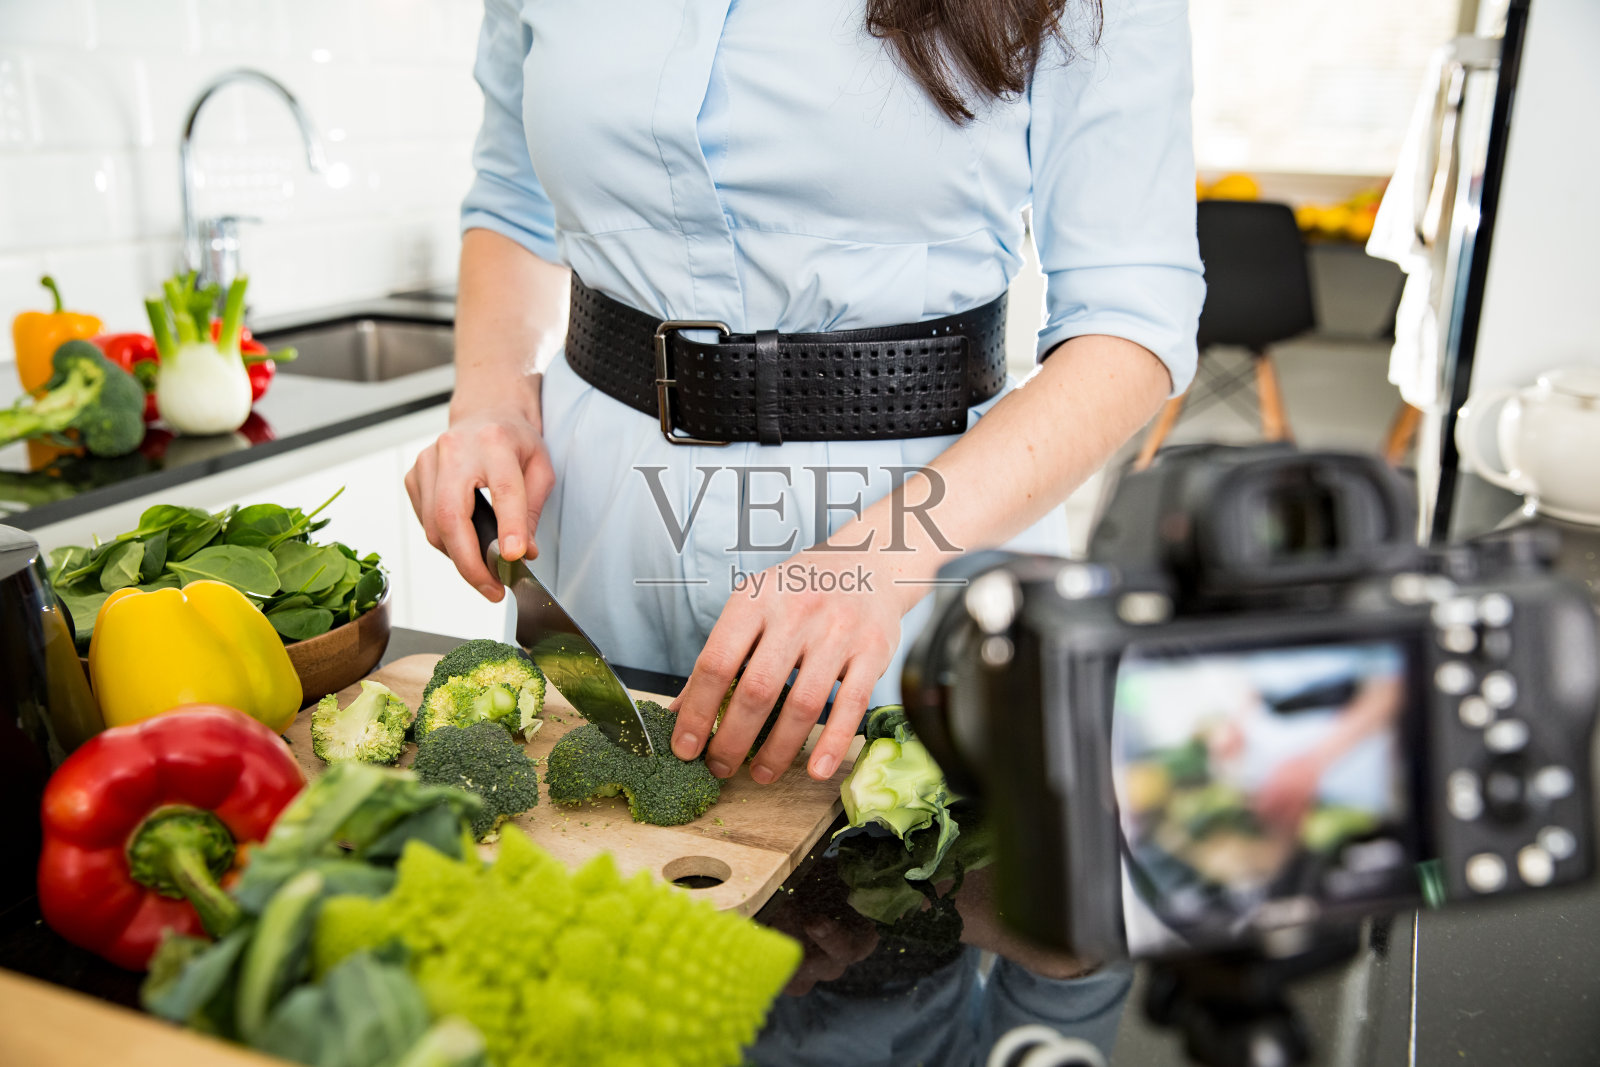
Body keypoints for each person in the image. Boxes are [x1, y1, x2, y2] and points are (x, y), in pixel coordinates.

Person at [406, 0, 1205, 787]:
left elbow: (1130, 321)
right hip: (596, 546)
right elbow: (512, 202)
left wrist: (880, 562)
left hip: (921, 570)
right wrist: (491, 399)